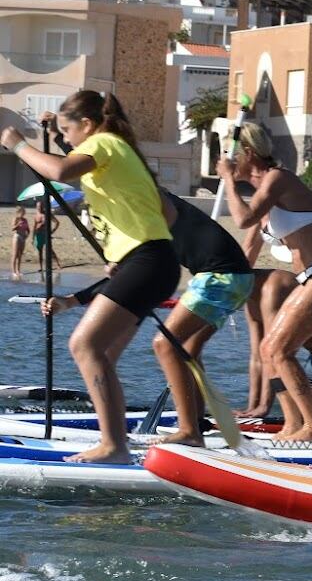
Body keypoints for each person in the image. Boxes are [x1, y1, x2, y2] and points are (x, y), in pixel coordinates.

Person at [0, 93, 180, 464]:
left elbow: (61, 171)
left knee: (84, 345)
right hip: (151, 261)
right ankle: (112, 440)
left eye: (68, 131)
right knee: (102, 354)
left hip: (148, 261)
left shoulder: (104, 142)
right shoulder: (123, 152)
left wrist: (19, 144)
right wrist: (124, 249)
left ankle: (114, 446)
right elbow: (169, 212)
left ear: (87, 124)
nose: (65, 140)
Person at [45, 190, 255, 445]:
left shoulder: (145, 202)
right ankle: (196, 424)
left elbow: (135, 278)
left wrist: (76, 297)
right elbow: (128, 279)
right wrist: (72, 300)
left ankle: (189, 432)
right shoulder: (149, 206)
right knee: (186, 348)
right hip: (234, 277)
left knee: (165, 345)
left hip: (221, 276)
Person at [221, 122, 312, 443]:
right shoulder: (265, 198)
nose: (227, 161)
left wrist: (226, 179)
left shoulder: (278, 179)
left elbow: (242, 219)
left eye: (232, 156)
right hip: (309, 278)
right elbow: (247, 248)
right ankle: (293, 424)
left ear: (248, 154)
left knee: (281, 350)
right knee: (269, 350)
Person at [10, 205, 27, 278]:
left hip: (23, 237)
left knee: (20, 255)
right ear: (19, 212)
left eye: (24, 212)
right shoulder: (16, 219)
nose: (23, 214)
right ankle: (13, 271)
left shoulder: (25, 220)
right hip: (17, 236)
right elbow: (12, 228)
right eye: (22, 212)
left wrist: (27, 234)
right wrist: (17, 224)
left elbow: (28, 229)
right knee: (15, 254)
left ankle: (18, 270)